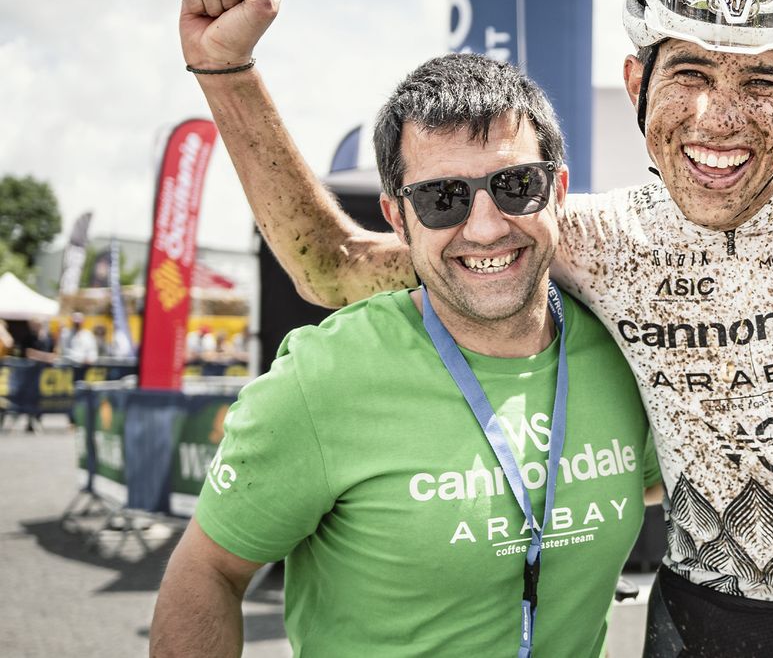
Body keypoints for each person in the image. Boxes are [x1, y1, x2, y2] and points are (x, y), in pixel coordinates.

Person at [179, 0, 773, 657]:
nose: (718, 117)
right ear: (636, 84)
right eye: (690, 74)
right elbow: (333, 265)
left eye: (762, 84)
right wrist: (229, 70)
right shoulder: (585, 236)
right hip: (702, 621)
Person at [150, 36, 658, 654]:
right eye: (442, 199)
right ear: (397, 217)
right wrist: (227, 69)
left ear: (557, 189)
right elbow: (208, 570)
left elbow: (653, 479)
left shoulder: (628, 345)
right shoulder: (326, 379)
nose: (486, 225)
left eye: (515, 184)